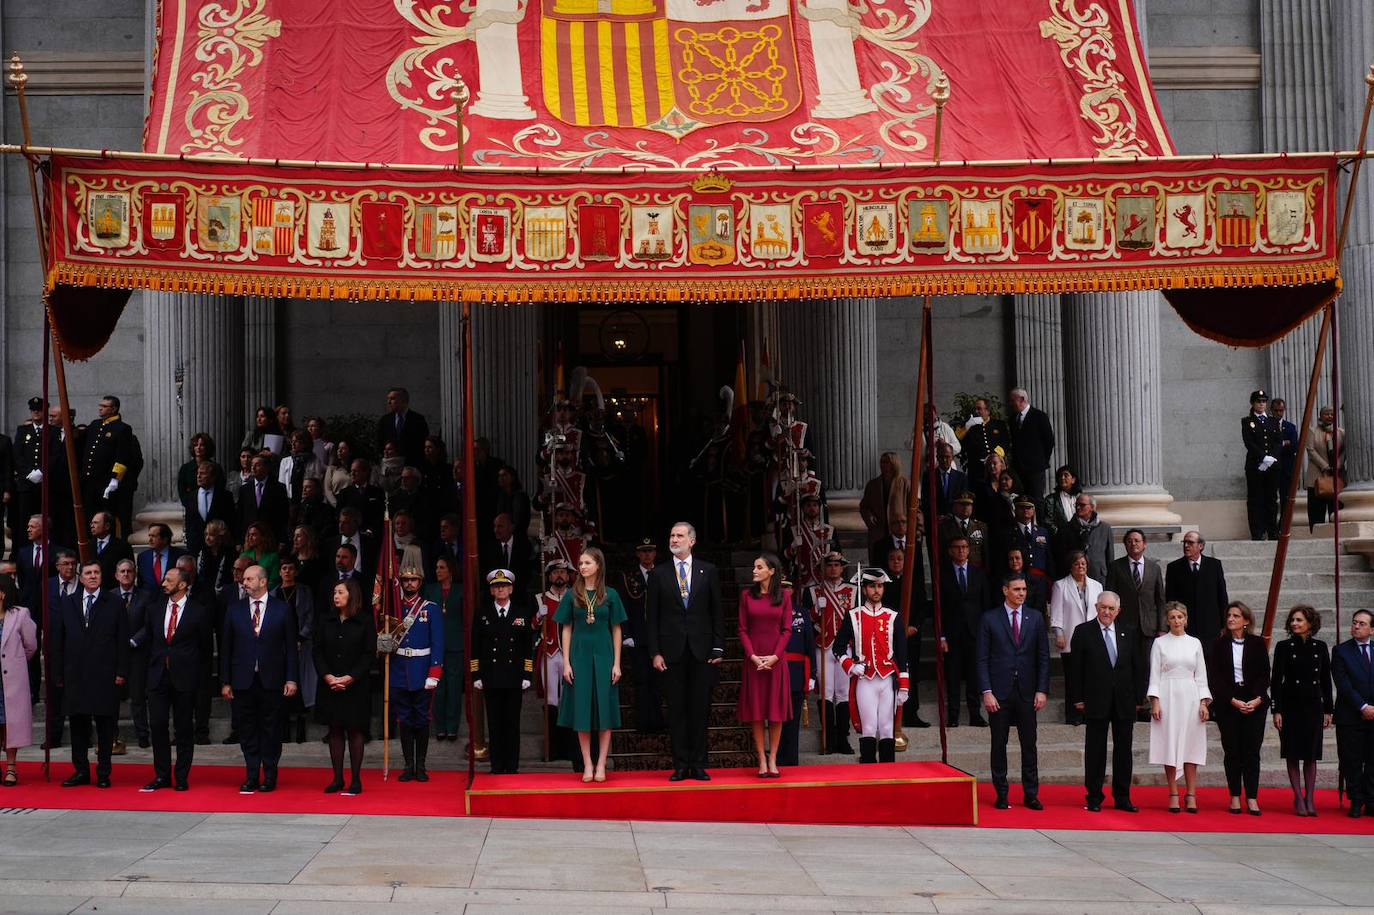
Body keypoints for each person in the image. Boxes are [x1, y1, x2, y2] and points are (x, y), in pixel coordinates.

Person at [644, 522, 725, 781]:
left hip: (702, 651)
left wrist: (718, 645)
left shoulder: (708, 571)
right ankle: (680, 764)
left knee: (700, 709)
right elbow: (652, 617)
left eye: (680, 535)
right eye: (672, 535)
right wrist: (655, 652)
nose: (674, 539)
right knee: (677, 709)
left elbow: (717, 612)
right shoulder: (659, 573)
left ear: (692, 541)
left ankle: (699, 764)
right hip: (671, 652)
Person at [221, 565, 299, 794]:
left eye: (249, 578)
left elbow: (291, 649)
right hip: (243, 680)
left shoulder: (282, 609)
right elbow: (226, 648)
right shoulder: (234, 610)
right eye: (244, 579)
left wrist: (291, 679)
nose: (244, 582)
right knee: (247, 729)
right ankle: (252, 774)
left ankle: (270, 774)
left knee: (271, 729)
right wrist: (226, 681)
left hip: (272, 680)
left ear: (263, 581)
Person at [52, 560, 129, 788]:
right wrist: (58, 673)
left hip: (105, 673)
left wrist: (121, 671)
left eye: (97, 572)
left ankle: (104, 772)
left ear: (102, 576)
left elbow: (122, 639)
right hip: (75, 674)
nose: (93, 576)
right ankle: (81, 771)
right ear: (81, 577)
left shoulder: (114, 602)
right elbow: (58, 640)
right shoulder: (68, 602)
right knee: (78, 725)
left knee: (105, 726)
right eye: (88, 573)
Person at [977, 573, 1050, 810]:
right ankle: (1002, 793)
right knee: (999, 744)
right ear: (1005, 590)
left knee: (1029, 744)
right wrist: (987, 691)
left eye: (1024, 590)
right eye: (1017, 589)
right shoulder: (990, 619)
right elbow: (982, 658)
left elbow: (1042, 657)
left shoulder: (1036, 617)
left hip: (1028, 691)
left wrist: (1042, 690)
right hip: (999, 692)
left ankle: (1031, 794)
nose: (1021, 593)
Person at [139, 566, 213, 792]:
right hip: (158, 676)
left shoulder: (199, 611)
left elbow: (205, 650)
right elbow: (150, 641)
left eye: (169, 580)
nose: (163, 583)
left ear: (182, 585)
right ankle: (161, 775)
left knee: (183, 729)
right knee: (158, 724)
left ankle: (181, 776)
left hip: (185, 678)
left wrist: (201, 681)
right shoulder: (154, 608)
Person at [555, 547, 626, 782]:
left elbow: (616, 629)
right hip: (580, 655)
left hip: (605, 655)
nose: (582, 566)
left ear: (598, 565)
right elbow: (566, 628)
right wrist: (566, 662)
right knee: (582, 711)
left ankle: (601, 764)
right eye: (581, 563)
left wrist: (617, 662)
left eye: (587, 563)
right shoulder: (571, 595)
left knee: (604, 710)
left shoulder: (612, 595)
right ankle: (587, 764)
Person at [1068, 590, 1141, 812]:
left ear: (1118, 610)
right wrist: (1078, 698)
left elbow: (1138, 667)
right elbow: (1074, 670)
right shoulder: (1083, 632)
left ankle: (1122, 797)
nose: (1107, 612)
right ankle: (1094, 797)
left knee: (1123, 751)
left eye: (1111, 608)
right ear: (1096, 608)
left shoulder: (1128, 632)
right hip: (1095, 700)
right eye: (1103, 607)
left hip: (1124, 701)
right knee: (1095, 751)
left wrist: (1139, 698)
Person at [835, 568, 908, 764]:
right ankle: (868, 773)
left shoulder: (893, 616)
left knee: (886, 728)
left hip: (888, 679)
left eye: (880, 586)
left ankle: (888, 774)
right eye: (872, 586)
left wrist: (904, 686)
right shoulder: (853, 615)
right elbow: (838, 646)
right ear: (864, 589)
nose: (876, 590)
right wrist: (850, 665)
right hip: (865, 679)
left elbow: (902, 653)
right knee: (868, 727)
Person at [471, 568, 537, 775]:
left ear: (511, 589)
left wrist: (527, 675)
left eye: (504, 586)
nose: (500, 589)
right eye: (496, 586)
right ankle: (496, 765)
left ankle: (512, 766)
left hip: (514, 676)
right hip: (491, 676)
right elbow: (475, 647)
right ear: (491, 591)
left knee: (512, 723)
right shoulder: (483, 614)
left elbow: (527, 646)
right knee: (495, 723)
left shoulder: (521, 613)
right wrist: (476, 674)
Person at [1148, 601, 1212, 814]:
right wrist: (1155, 701)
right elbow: (1154, 674)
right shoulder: (1159, 643)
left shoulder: (1195, 643)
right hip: (1167, 696)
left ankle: (1191, 794)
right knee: (1170, 746)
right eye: (1173, 617)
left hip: (1191, 696)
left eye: (1180, 617)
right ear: (1167, 620)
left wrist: (1204, 702)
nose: (1177, 621)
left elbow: (1201, 675)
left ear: (1186, 619)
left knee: (1191, 747)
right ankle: (1173, 793)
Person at [1207, 601, 1270, 816]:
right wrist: (1231, 700)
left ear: (1246, 621)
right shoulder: (1219, 644)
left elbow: (1264, 674)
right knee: (1232, 751)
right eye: (1229, 615)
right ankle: (1234, 795)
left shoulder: (1257, 643)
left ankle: (1252, 797)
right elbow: (1215, 677)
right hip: (1229, 702)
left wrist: (1258, 699)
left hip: (1254, 701)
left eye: (1236, 615)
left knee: (1252, 752)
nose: (1231, 619)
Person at [1271, 604, 1333, 817]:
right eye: (1293, 620)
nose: (1294, 624)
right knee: (1292, 752)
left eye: (1299, 620)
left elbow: (1326, 679)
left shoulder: (1321, 647)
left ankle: (1310, 797)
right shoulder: (1283, 646)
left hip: (1314, 705)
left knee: (1311, 754)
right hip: (1291, 706)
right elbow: (1276, 681)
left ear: (1310, 623)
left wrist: (1328, 710)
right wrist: (1276, 710)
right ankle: (1298, 796)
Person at [315, 579, 375, 796]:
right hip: (330, 683)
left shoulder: (364, 621)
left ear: (352, 595)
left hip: (355, 685)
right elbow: (318, 651)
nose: (336, 596)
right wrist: (328, 676)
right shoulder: (326, 620)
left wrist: (351, 677)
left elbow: (369, 654)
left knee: (356, 730)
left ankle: (356, 779)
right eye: (334, 592)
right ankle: (337, 778)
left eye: (340, 592)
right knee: (335, 730)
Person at [737, 553, 793, 775]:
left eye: (759, 567)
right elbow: (742, 629)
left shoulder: (785, 597)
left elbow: (787, 629)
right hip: (754, 661)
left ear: (771, 571)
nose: (754, 570)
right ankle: (761, 759)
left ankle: (773, 759)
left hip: (775, 661)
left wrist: (775, 657)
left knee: (775, 711)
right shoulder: (746, 596)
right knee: (758, 712)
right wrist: (752, 656)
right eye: (754, 566)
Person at [389, 565, 444, 782]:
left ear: (420, 583)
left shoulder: (431, 609)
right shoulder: (394, 609)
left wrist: (435, 672)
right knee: (404, 719)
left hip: (422, 670)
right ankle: (408, 765)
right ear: (401, 583)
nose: (409, 584)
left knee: (421, 718)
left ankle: (421, 765)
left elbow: (438, 643)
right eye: (405, 580)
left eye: (413, 580)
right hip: (399, 669)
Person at [1106, 528, 1167, 720]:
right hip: (1124, 626)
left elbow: (1160, 599)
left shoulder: (1154, 568)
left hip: (1149, 627)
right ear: (1125, 545)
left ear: (1145, 544)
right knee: (1127, 666)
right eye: (1130, 541)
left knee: (1147, 666)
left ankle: (1146, 705)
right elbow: (1111, 597)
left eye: (1137, 541)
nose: (1134, 544)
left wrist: (1162, 627)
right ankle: (1129, 705)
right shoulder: (1116, 567)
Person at [802, 550, 857, 753]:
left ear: (842, 567)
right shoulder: (813, 591)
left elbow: (856, 620)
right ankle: (828, 738)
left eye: (837, 564)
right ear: (822, 568)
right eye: (829, 565)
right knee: (825, 692)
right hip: (822, 645)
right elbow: (807, 621)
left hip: (845, 647)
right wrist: (817, 610)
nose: (833, 568)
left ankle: (843, 738)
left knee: (842, 693)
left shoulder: (853, 590)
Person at [939, 535, 993, 727]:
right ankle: (953, 715)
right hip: (953, 635)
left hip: (975, 633)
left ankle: (975, 714)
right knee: (953, 676)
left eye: (964, 547)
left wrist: (986, 635)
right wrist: (942, 635)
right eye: (957, 547)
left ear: (969, 550)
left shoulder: (979, 574)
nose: (961, 551)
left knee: (974, 676)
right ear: (950, 551)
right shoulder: (942, 575)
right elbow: (940, 608)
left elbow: (986, 606)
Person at [1049, 551, 1102, 725]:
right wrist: (1059, 634)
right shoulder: (1060, 585)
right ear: (1071, 566)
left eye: (1083, 564)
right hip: (1070, 637)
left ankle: (1090, 713)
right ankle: (1073, 715)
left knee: (1091, 677)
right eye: (1077, 564)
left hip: (1092, 638)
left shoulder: (1097, 586)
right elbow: (1056, 614)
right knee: (1073, 678)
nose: (1081, 567)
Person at [1331, 609, 1374, 819]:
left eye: (1362, 624)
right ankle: (1356, 800)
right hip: (1351, 715)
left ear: (1372, 629)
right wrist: (1363, 706)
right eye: (1355, 622)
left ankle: (1371, 800)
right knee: (1352, 760)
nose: (1356, 626)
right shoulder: (1341, 651)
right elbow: (1343, 683)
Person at [80, 395, 141, 537]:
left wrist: (115, 479)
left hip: (106, 481)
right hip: (90, 482)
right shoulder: (95, 425)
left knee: (109, 518)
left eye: (105, 406)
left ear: (114, 409)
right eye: (100, 405)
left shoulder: (122, 428)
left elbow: (122, 456)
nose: (100, 408)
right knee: (91, 517)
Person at [620, 538, 665, 733]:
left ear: (655, 553)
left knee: (658, 681)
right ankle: (643, 721)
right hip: (638, 637)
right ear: (638, 554)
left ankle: (658, 721)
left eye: (650, 551)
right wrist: (626, 633)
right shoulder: (628, 577)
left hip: (660, 639)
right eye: (643, 551)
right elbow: (624, 608)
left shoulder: (664, 574)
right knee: (641, 680)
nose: (647, 555)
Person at [536, 559, 576, 761]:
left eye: (563, 572)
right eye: (555, 572)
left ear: (568, 576)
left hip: (572, 655)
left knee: (569, 699)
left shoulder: (576, 596)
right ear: (549, 576)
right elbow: (533, 627)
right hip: (550, 653)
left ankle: (570, 748)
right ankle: (552, 749)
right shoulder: (540, 598)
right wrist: (538, 615)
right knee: (551, 701)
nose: (559, 575)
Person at [274, 557, 317, 744]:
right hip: (280, 646)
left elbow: (310, 617)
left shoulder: (305, 591)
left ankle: (301, 726)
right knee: (282, 683)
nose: (287, 571)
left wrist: (301, 637)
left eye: (291, 568)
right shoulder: (274, 593)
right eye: (284, 568)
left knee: (300, 683)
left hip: (302, 644)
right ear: (279, 571)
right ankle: (283, 728)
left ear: (296, 572)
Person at [0, 573, 37, 787]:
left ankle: (11, 767)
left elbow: (31, 645)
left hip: (11, 680)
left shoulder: (20, 614)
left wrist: (16, 661)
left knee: (10, 723)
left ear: (3, 593)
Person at [109, 559, 151, 750]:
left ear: (135, 575)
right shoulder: (108, 597)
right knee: (112, 700)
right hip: (114, 657)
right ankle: (111, 738)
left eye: (129, 571)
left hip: (137, 655)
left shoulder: (146, 596)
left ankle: (143, 736)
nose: (126, 574)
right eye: (122, 571)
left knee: (138, 698)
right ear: (116, 575)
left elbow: (150, 624)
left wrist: (134, 641)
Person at [424, 554, 464, 742]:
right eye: (437, 568)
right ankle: (440, 727)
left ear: (450, 570)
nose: (438, 571)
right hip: (435, 645)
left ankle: (452, 727)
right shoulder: (431, 590)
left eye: (442, 567)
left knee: (454, 688)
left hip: (456, 646)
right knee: (438, 688)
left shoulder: (461, 591)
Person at [777, 575, 815, 767]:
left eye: (787, 588)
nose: (784, 591)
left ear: (792, 591)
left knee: (793, 719)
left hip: (796, 673)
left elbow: (810, 643)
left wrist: (813, 675)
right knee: (777, 718)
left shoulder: (801, 613)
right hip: (775, 673)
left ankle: (791, 760)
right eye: (780, 587)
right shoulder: (769, 611)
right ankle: (777, 758)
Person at [1164, 533, 1229, 641]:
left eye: (1190, 543)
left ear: (1201, 546)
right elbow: (1170, 600)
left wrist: (1224, 624)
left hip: (1210, 626)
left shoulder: (1214, 565)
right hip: (1185, 627)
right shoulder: (1174, 568)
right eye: (1184, 542)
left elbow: (1222, 596)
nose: (1186, 546)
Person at [1242, 390, 1283, 541]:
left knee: (1271, 499)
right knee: (1255, 499)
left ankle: (1272, 531)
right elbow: (1249, 443)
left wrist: (1271, 458)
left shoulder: (1273, 421)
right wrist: (1263, 457)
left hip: (1272, 466)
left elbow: (1278, 442)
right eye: (1258, 401)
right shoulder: (1247, 421)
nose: (1261, 404)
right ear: (1253, 403)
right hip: (1255, 466)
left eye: (1264, 401)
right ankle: (1257, 532)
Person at [1052, 493, 1112, 584]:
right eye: (1076, 505)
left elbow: (1109, 557)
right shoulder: (1066, 529)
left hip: (1098, 577)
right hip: (1073, 577)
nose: (1078, 507)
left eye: (1082, 505)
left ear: (1092, 507)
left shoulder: (1105, 528)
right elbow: (1060, 557)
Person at [1007, 388, 1055, 501]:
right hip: (1018, 468)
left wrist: (1041, 460)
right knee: (1020, 499)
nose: (1010, 404)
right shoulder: (1013, 419)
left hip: (1035, 468)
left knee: (1036, 499)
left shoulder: (1039, 416)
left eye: (1012, 400)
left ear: (1022, 399)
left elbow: (1049, 441)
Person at [184, 460, 235, 556]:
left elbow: (231, 521)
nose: (198, 476)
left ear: (212, 477)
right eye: (198, 473)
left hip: (220, 547)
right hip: (196, 548)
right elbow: (188, 522)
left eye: (202, 474)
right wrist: (190, 543)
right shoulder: (190, 497)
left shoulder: (225, 496)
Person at [859, 452, 909, 550]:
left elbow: (915, 508)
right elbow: (864, 506)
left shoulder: (904, 484)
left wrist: (917, 531)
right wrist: (869, 516)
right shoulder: (872, 485)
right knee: (879, 559)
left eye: (887, 462)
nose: (883, 465)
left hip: (898, 531)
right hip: (879, 530)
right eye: (882, 462)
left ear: (894, 464)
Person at [236, 455, 290, 547]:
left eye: (257, 465)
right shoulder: (244, 489)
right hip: (249, 539)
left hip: (271, 538)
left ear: (266, 468)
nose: (253, 467)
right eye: (252, 465)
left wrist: (282, 539)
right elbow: (240, 516)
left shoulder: (279, 488)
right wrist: (239, 541)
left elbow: (283, 516)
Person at [1305, 406, 1343, 530]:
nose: (1329, 416)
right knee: (1317, 512)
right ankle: (1316, 533)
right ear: (1320, 416)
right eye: (1326, 414)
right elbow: (1311, 450)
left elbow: (1346, 451)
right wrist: (1324, 466)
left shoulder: (1340, 432)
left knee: (1336, 510)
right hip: (1317, 477)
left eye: (1332, 414)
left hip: (1336, 478)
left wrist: (1339, 463)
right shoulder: (1312, 431)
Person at [959, 397, 1009, 487]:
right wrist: (967, 427)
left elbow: (1005, 443)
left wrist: (994, 456)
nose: (976, 411)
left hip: (996, 468)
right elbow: (960, 442)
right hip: (977, 469)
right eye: (975, 409)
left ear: (987, 411)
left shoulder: (999, 424)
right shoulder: (970, 425)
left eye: (979, 408)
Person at [376, 387, 430, 466]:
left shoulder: (418, 420)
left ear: (404, 401)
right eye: (388, 399)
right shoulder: (385, 420)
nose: (389, 402)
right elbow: (379, 443)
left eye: (392, 399)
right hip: (390, 466)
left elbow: (422, 444)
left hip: (412, 466)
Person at [939, 493, 989, 570]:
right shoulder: (944, 527)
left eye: (968, 504)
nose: (965, 507)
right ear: (954, 506)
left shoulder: (981, 526)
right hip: (952, 572)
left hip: (976, 572)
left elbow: (986, 553)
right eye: (962, 504)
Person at [137, 523, 186, 596]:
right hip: (148, 603)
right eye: (149, 536)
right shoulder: (142, 557)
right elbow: (140, 583)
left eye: (153, 536)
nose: (150, 539)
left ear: (165, 539)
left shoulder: (180, 555)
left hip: (171, 601)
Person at [89, 510, 134, 587]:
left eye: (96, 523)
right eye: (92, 523)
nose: (92, 526)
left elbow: (129, 570)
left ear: (107, 526)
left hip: (114, 591)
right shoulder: (87, 546)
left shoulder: (122, 546)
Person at [240, 521, 282, 590]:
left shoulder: (273, 557)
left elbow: (274, 582)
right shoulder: (244, 555)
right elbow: (239, 577)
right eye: (249, 535)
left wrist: (257, 590)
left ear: (263, 537)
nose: (250, 537)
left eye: (254, 535)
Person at [1044, 465, 1082, 534]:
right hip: (1061, 539)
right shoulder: (1051, 499)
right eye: (1060, 476)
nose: (1062, 478)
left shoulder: (1080, 498)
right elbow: (1048, 521)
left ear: (1073, 480)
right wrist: (1060, 534)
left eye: (1066, 475)